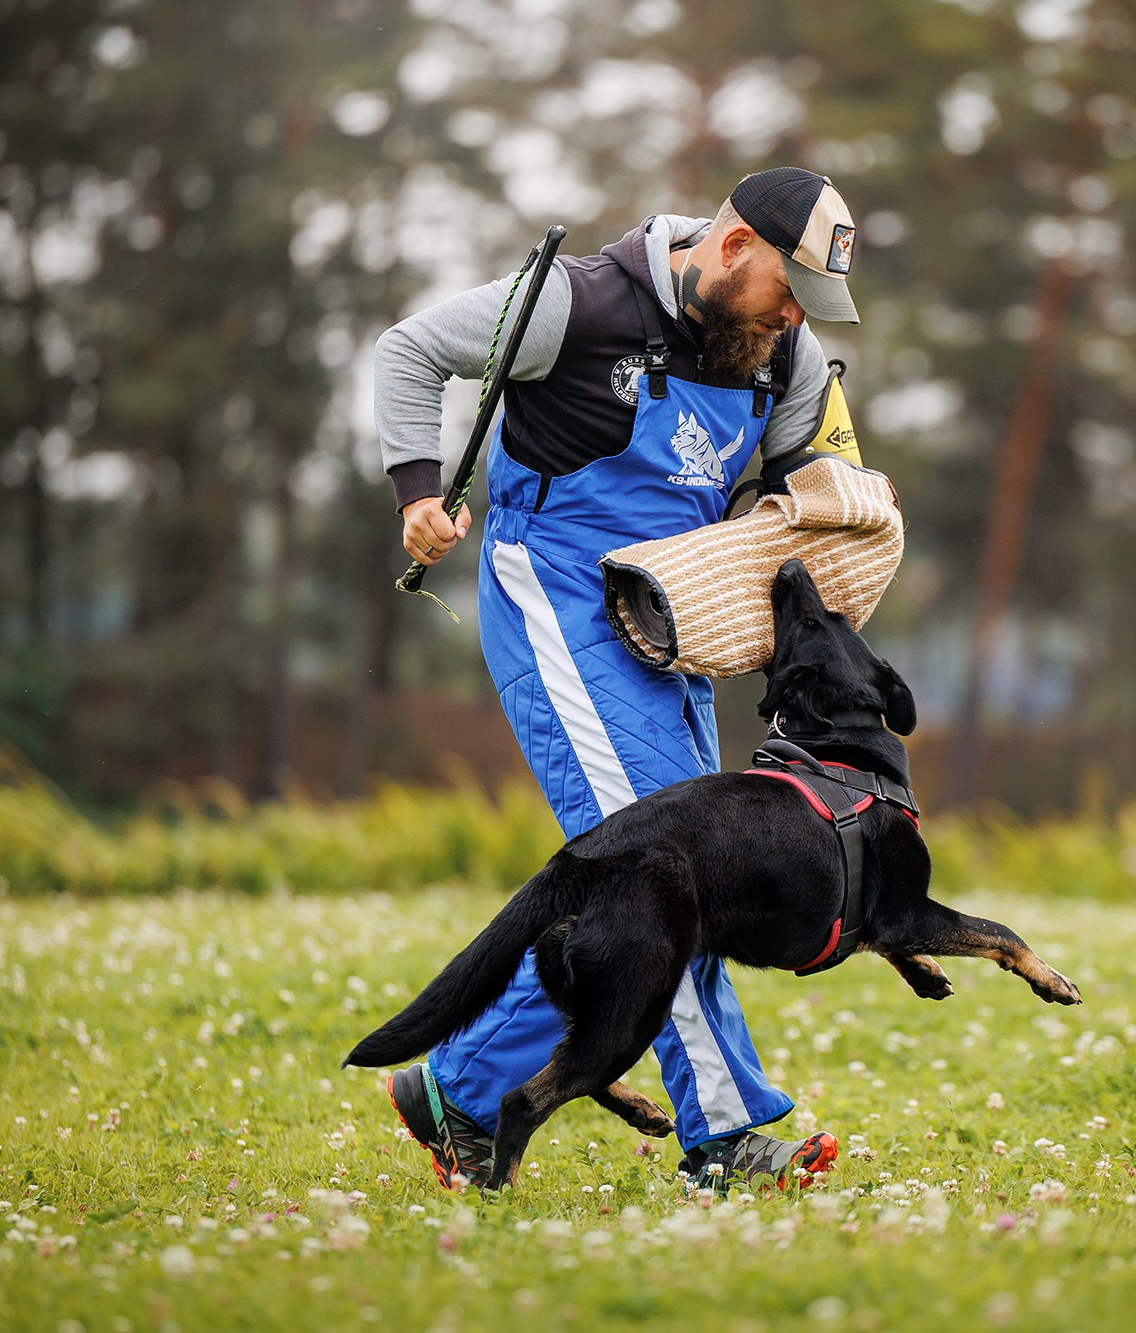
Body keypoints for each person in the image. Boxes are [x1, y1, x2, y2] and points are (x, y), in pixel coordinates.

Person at [372, 167, 863, 1191]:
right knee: (666, 875)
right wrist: (418, 490)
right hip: (555, 596)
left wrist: (848, 511)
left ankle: (459, 1091)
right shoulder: (575, 303)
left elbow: (814, 488)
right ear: (733, 247)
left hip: (677, 620)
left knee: (663, 884)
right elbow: (409, 350)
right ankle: (727, 1138)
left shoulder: (790, 356)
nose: (792, 319)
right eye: (788, 292)